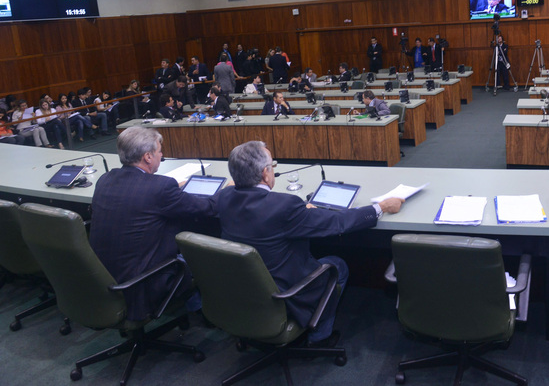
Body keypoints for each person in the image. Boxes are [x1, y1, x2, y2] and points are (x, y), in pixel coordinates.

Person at [216, 141, 404, 346]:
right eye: (273, 165)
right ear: (265, 173)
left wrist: (301, 213)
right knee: (338, 265)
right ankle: (319, 337)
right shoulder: (284, 206)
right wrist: (381, 207)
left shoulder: (224, 197)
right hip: (283, 295)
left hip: (241, 290)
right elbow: (338, 222)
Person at [89, 127, 219, 321]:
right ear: (148, 157)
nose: (162, 155)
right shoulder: (161, 187)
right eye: (159, 151)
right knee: (205, 250)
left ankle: (194, 307)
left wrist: (175, 190)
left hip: (103, 280)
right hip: (141, 285)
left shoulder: (105, 179)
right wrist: (229, 190)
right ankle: (206, 311)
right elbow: (206, 208)